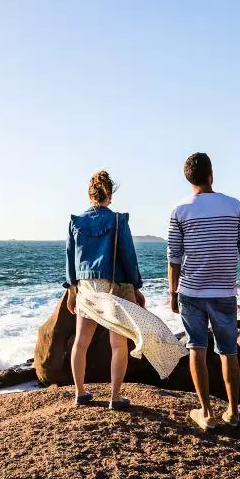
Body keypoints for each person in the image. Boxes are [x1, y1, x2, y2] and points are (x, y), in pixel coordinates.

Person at [167, 152, 240, 430]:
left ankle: (206, 413)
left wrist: (173, 293)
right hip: (223, 291)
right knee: (228, 352)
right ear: (211, 174)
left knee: (196, 348)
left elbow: (174, 256)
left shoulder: (180, 210)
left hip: (191, 292)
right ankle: (232, 412)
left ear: (188, 179)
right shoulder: (234, 206)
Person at [64, 170, 145, 409]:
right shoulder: (118, 221)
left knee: (81, 342)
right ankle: (115, 397)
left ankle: (80, 393)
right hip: (112, 287)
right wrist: (137, 287)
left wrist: (71, 289)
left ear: (90, 196)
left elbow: (70, 258)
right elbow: (129, 257)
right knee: (118, 344)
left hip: (87, 288)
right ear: (109, 195)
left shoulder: (75, 221)